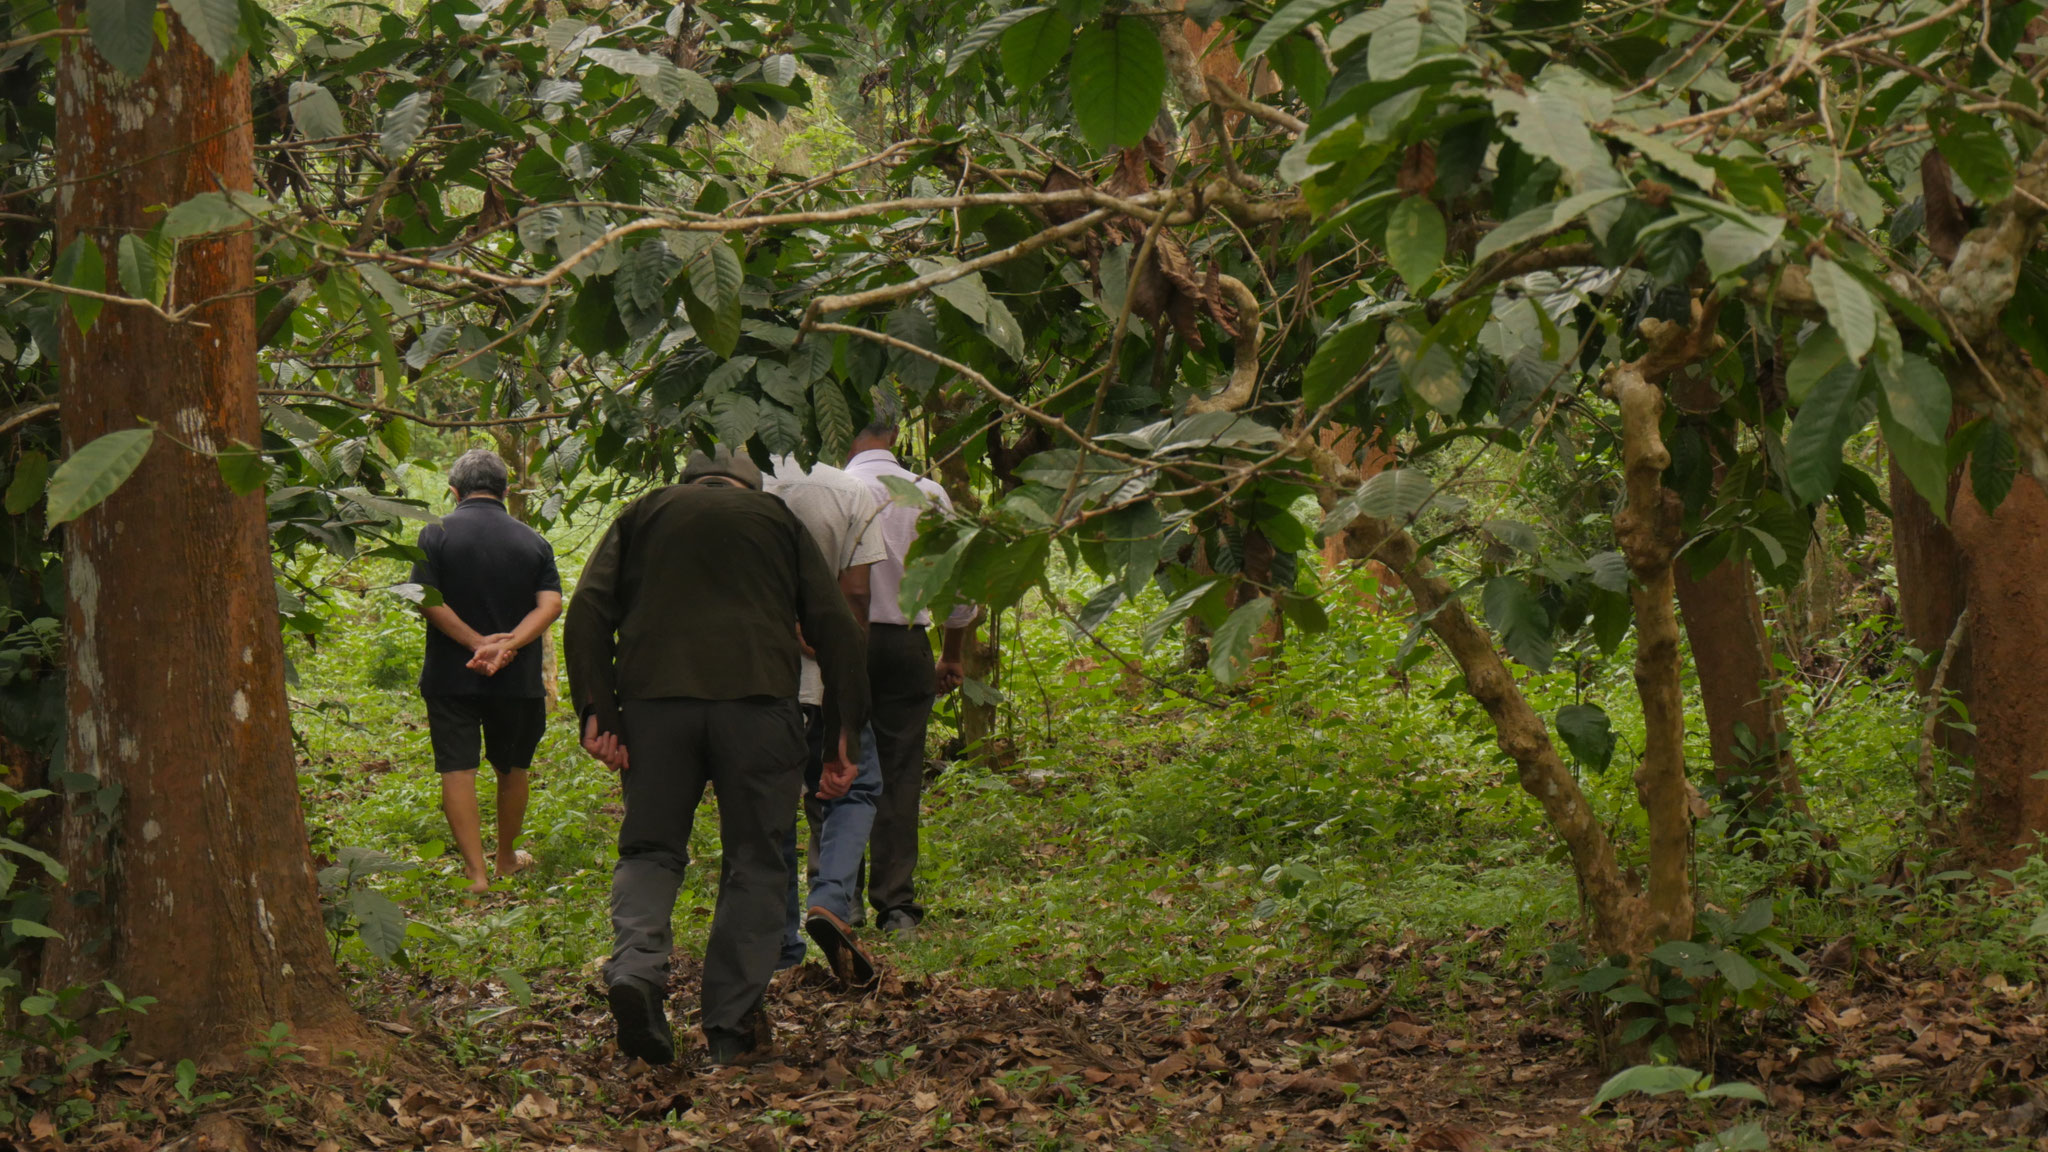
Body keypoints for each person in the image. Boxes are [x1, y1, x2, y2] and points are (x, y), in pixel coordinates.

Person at [564, 447, 869, 1068]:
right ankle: (730, 1027)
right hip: (758, 711)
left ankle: (637, 972)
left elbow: (588, 611)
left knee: (649, 848)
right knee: (757, 861)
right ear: (750, 482)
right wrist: (843, 735)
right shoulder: (776, 519)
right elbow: (836, 626)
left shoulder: (643, 513)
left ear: (688, 480)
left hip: (654, 712)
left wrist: (599, 711)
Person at [844, 417, 979, 941]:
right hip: (905, 643)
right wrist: (950, 654)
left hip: (842, 645)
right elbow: (957, 584)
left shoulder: (834, 489)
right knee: (900, 773)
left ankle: (840, 896)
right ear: (895, 435)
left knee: (839, 761)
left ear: (846, 435)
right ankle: (896, 905)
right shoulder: (928, 494)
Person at [410, 448, 563, 896]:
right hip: (516, 680)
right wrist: (507, 645)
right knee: (512, 768)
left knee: (457, 770)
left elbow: (425, 597)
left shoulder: (433, 533)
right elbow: (551, 604)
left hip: (450, 675)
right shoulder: (533, 540)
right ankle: (506, 861)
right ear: (506, 490)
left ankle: (476, 875)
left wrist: (477, 645)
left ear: (454, 491)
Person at [764, 455, 888, 987]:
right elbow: (857, 592)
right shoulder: (848, 490)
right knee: (854, 788)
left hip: (760, 680)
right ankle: (832, 898)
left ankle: (779, 941)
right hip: (824, 676)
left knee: (767, 806)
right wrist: (842, 657)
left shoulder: (746, 489)